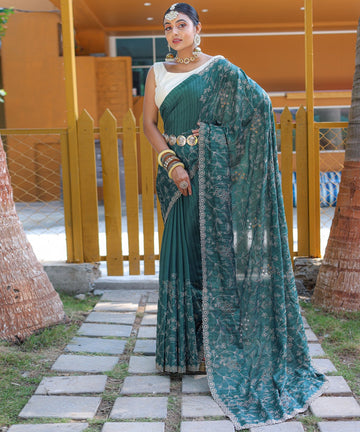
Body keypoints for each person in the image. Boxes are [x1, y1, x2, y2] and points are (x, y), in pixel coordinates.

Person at [143, 3, 327, 430]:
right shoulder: (157, 71)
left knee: (213, 254)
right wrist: (171, 161)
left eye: (181, 25)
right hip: (175, 175)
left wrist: (216, 143)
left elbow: (259, 106)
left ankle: (214, 347)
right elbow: (149, 124)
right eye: (168, 27)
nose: (174, 33)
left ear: (198, 28)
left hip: (214, 175)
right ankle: (180, 352)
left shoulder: (220, 69)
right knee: (179, 252)